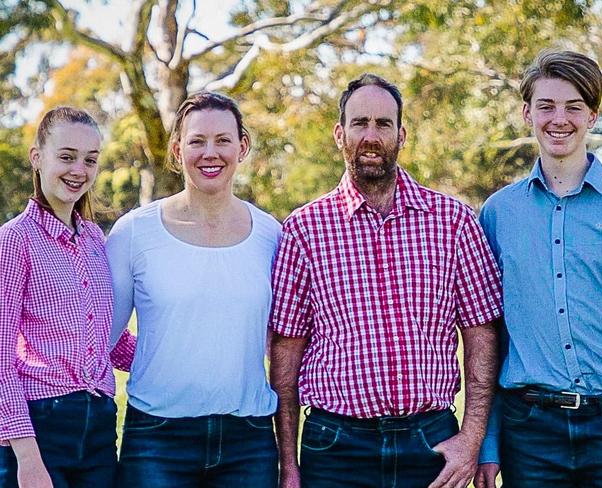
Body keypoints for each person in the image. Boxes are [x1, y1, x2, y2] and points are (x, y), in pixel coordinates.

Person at [269, 73, 503, 488]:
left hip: (430, 442)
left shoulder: (454, 222)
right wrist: (288, 463)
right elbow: (285, 355)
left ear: (402, 134)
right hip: (335, 447)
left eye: (383, 124)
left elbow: (482, 335)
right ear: (340, 134)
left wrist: (471, 440)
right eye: (360, 123)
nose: (371, 135)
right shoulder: (303, 230)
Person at [474, 50, 602, 488]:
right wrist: (490, 442)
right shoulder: (498, 213)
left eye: (573, 107)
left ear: (592, 116)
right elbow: (492, 335)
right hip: (529, 431)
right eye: (546, 106)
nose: (559, 119)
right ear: (526, 113)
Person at [106, 91, 280, 487]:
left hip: (249, 442)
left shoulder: (272, 235)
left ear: (242, 146)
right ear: (176, 149)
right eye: (197, 141)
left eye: (222, 140)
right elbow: (99, 335)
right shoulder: (134, 232)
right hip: (156, 440)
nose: (210, 152)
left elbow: (280, 342)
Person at [0, 107, 132, 488]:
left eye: (90, 160)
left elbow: (110, 340)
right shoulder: (14, 241)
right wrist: (27, 457)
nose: (79, 170)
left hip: (101, 428)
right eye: (67, 156)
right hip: (40, 425)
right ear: (37, 157)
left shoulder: (94, 239)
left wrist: (177, 360)